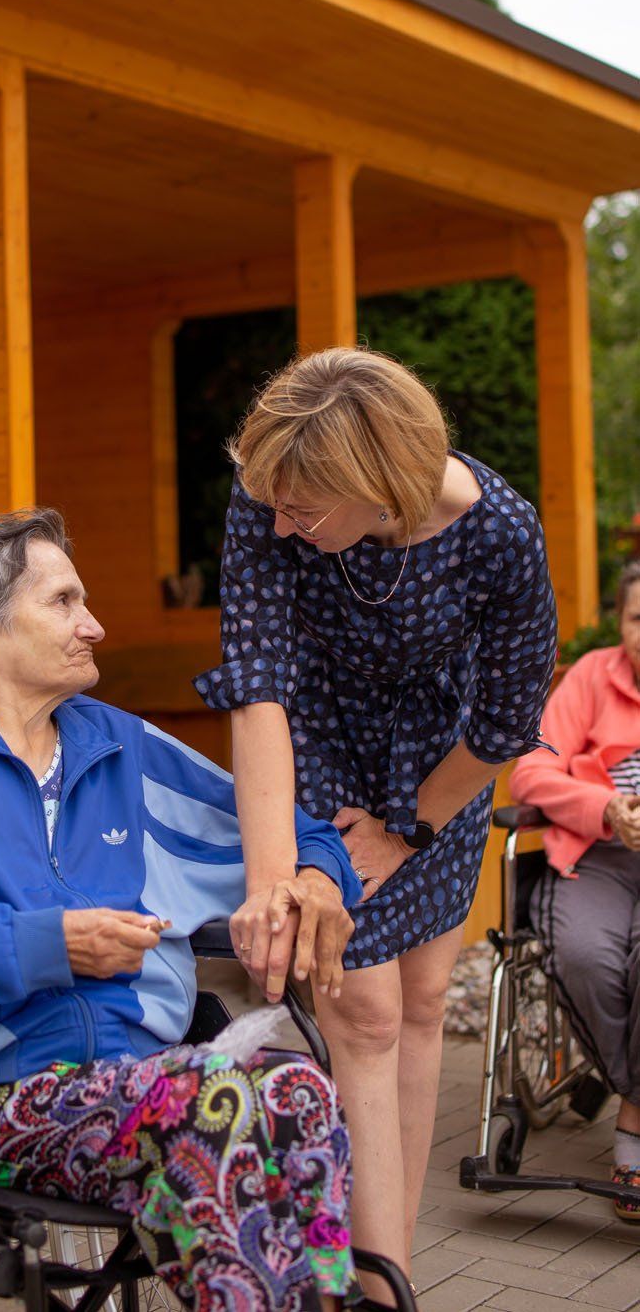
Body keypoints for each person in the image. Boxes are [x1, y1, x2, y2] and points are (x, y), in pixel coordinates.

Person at [0, 508, 363, 1310]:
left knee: (299, 1090)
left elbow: (294, 830)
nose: (94, 626)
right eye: (64, 602)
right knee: (219, 1104)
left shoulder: (119, 745)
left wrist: (314, 881)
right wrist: (47, 946)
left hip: (136, 1079)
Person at [193, 346, 558, 1290]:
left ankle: (386, 1271)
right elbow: (259, 686)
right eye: (268, 500)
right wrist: (276, 883)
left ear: (381, 484)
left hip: (443, 760)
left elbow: (508, 720)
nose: (277, 522)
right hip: (312, 733)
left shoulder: (500, 533)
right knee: (363, 1009)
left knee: (426, 1003)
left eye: (302, 512)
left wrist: (410, 827)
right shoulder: (269, 494)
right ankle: (377, 1286)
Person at [510, 559, 640, 1220]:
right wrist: (605, 808)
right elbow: (529, 774)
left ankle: (631, 1128)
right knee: (587, 957)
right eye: (637, 617)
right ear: (619, 623)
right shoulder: (591, 678)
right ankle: (634, 1092)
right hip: (594, 856)